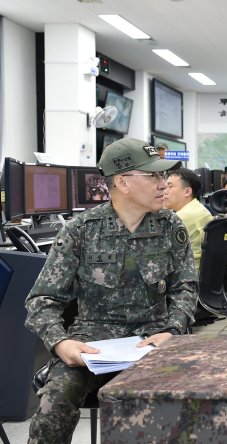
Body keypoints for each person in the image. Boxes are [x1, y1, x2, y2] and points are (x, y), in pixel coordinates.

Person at [24, 138, 199, 443]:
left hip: (154, 338)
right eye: (154, 176)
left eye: (164, 176)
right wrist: (61, 343)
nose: (164, 184)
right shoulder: (81, 230)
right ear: (122, 182)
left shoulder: (171, 227)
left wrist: (173, 330)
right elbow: (42, 300)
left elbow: (185, 287)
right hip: (93, 344)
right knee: (54, 405)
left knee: (188, 404)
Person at [164, 167, 213, 270]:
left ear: (187, 191)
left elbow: (159, 249)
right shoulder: (197, 208)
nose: (165, 191)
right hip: (199, 271)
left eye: (170, 187)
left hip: (185, 274)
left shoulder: (181, 217)